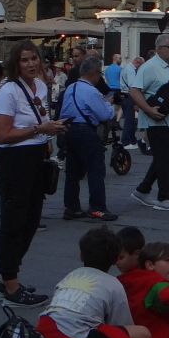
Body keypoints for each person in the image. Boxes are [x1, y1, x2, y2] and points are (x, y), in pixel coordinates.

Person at [37, 226, 152, 338]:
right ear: (115, 260)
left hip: (44, 336)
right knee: (143, 336)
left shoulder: (71, 275)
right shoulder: (112, 284)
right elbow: (124, 333)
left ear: (81, 255)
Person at [0, 41, 65, 307]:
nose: (31, 64)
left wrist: (50, 129)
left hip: (37, 156)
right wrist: (39, 129)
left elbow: (40, 118)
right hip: (14, 160)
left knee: (32, 220)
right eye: (24, 60)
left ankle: (12, 276)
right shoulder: (8, 91)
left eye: (34, 58)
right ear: (15, 64)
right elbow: (2, 134)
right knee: (13, 223)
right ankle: (10, 284)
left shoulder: (42, 86)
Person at [129, 33, 169, 212]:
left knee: (163, 157)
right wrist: (149, 110)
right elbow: (134, 91)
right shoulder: (149, 67)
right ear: (159, 49)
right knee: (164, 157)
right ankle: (164, 197)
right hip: (156, 120)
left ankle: (143, 189)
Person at [58, 55, 118, 222]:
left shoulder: (71, 88)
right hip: (86, 131)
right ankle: (97, 208)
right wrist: (108, 104)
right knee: (95, 169)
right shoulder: (91, 91)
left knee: (72, 172)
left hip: (69, 129)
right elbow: (105, 114)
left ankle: (71, 207)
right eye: (99, 73)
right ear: (94, 73)